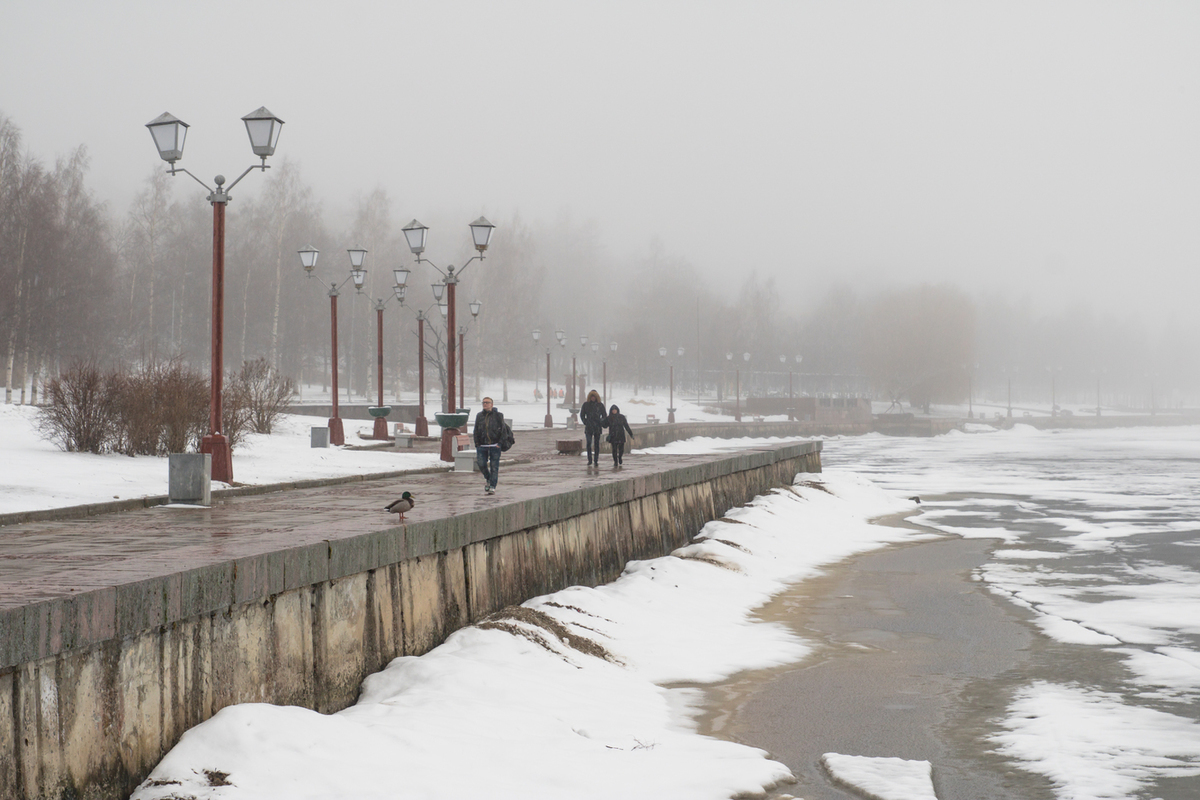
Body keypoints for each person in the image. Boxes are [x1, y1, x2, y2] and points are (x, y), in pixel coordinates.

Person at [473, 397, 508, 494]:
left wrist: (499, 443)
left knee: (494, 466)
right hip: (482, 446)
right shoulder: (479, 416)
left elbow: (503, 430)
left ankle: (492, 486)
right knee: (481, 464)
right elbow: (476, 430)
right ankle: (488, 478)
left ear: (492, 404)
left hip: (495, 446)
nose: (485, 404)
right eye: (483, 403)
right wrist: (477, 443)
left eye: (487, 403)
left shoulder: (498, 415)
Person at [579, 389, 607, 467]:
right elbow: (582, 414)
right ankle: (589, 459)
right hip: (589, 427)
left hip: (597, 427)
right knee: (588, 443)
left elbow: (604, 415)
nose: (593, 398)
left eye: (594, 396)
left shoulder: (600, 405)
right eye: (592, 396)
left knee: (597, 444)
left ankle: (596, 460)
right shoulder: (586, 405)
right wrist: (585, 422)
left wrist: (601, 421)